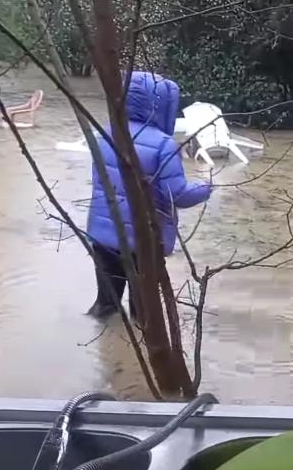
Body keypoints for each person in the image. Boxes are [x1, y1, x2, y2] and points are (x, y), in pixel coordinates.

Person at [86, 71, 212, 319]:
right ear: (161, 105)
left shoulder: (106, 134)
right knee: (144, 315)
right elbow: (178, 195)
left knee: (105, 306)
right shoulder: (164, 144)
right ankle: (138, 357)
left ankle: (100, 351)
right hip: (142, 243)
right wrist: (208, 186)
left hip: (103, 239)